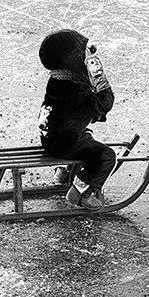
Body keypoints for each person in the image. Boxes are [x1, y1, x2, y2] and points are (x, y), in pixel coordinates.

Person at [37, 29, 116, 210]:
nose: (89, 55)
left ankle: (64, 172)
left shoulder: (59, 82)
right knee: (106, 156)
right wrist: (98, 75)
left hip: (51, 137)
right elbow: (104, 104)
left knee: (87, 137)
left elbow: (73, 110)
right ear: (72, 59)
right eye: (83, 53)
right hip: (64, 143)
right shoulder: (75, 90)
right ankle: (81, 191)